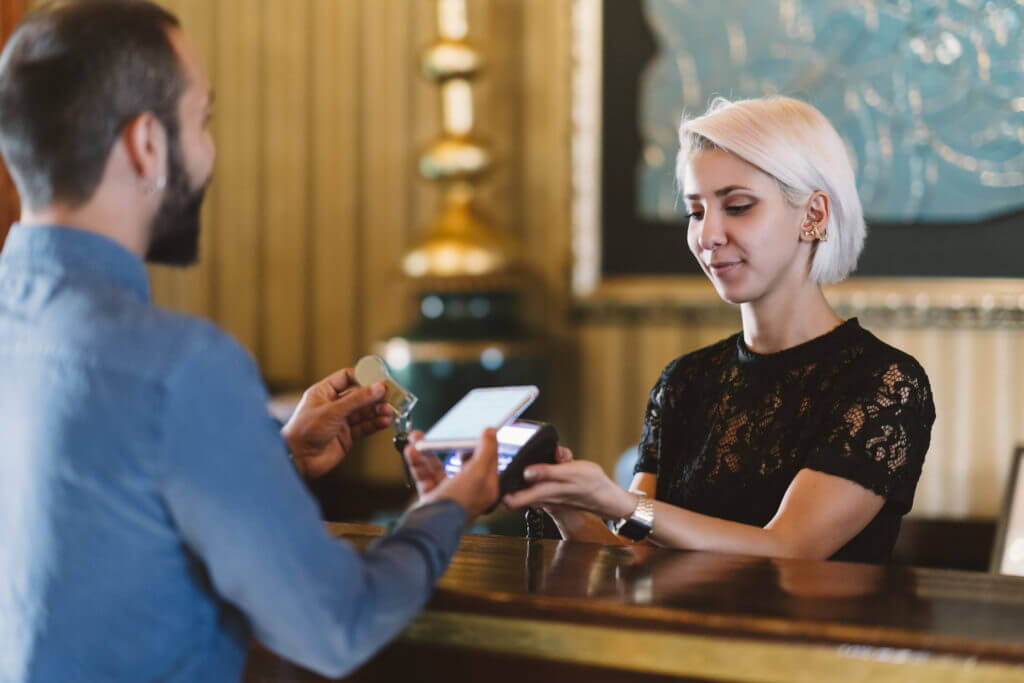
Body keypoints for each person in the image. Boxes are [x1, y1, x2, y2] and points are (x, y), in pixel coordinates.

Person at [0, 2, 499, 681]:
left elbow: (95, 524)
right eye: (201, 119)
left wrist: (271, 454)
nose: (208, 148)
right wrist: (444, 509)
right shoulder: (180, 368)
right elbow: (335, 624)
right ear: (147, 144)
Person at [502, 96, 936, 564]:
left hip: (807, 639)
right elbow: (634, 556)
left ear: (813, 216)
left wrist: (623, 504)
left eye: (738, 206)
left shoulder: (884, 382)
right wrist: (568, 505)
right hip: (680, 638)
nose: (708, 236)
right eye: (696, 211)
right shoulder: (684, 381)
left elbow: (789, 549)